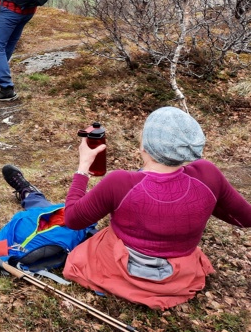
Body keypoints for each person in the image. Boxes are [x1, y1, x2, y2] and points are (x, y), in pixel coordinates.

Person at [62, 107, 251, 310]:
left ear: (145, 146)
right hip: (179, 278)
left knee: (87, 250)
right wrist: (206, 202)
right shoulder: (208, 175)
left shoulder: (119, 182)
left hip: (119, 269)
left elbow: (72, 219)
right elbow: (245, 218)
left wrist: (82, 169)